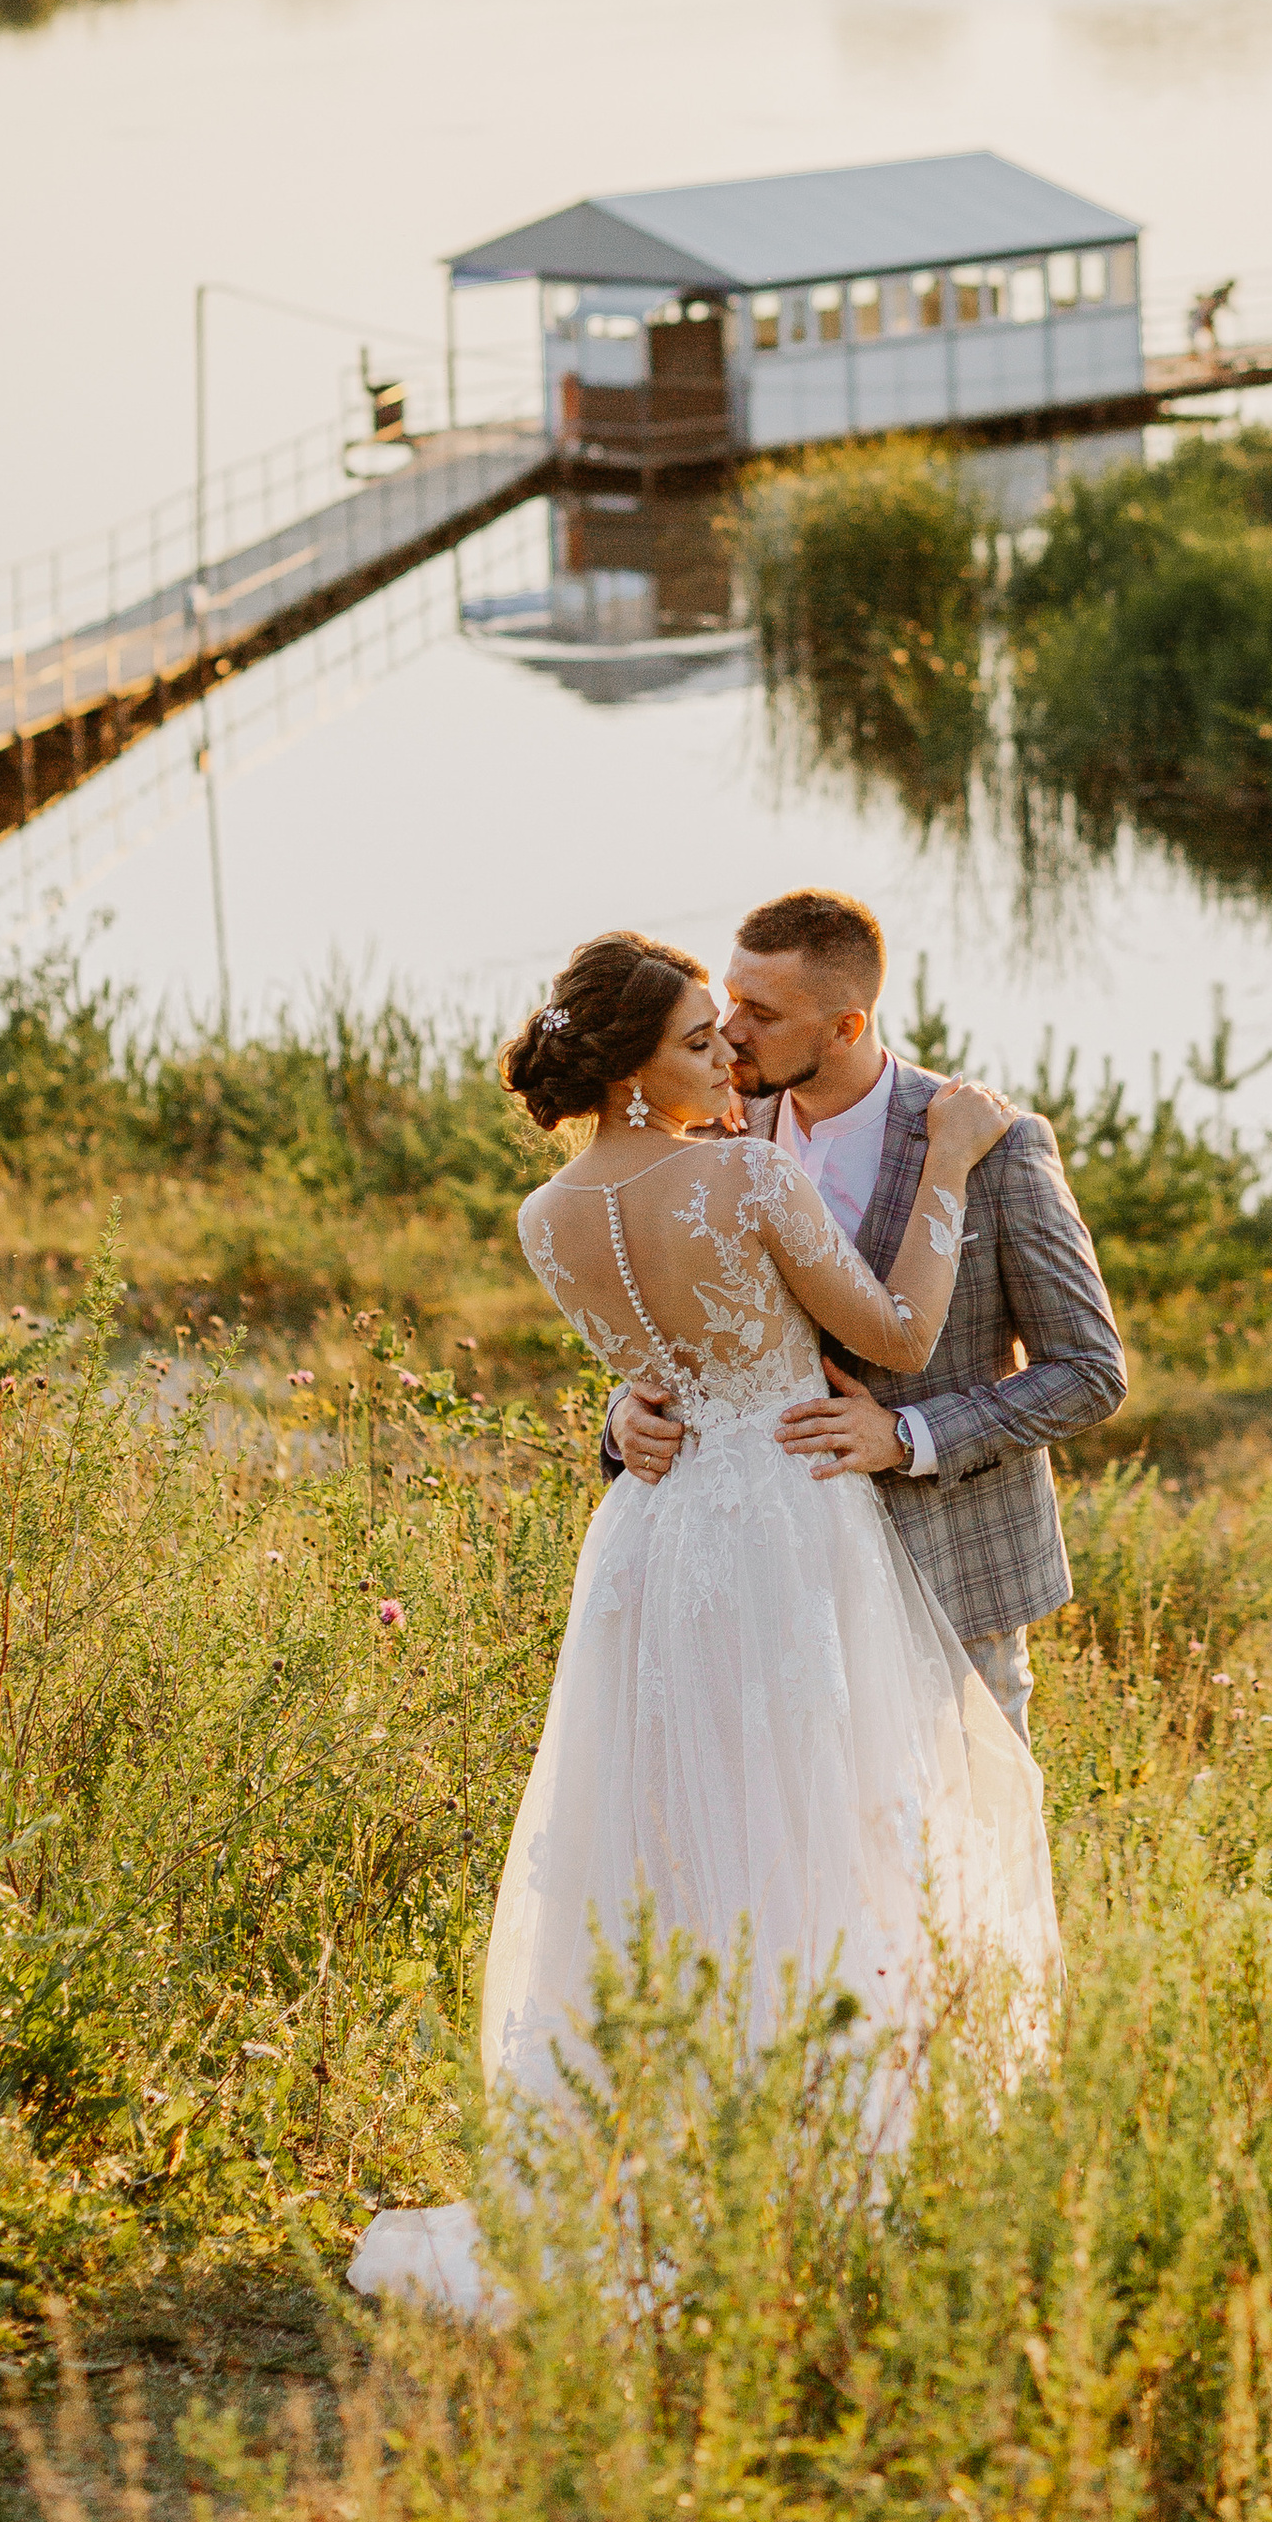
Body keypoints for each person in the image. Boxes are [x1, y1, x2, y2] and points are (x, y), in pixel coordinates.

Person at [349, 924, 1062, 2316]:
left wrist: (632, 1403)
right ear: (631, 1075)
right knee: (822, 1820)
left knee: (664, 1835)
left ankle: (657, 2137)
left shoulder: (544, 1216)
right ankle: (828, 2145)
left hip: (656, 1543)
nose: (724, 1056)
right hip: (787, 1522)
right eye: (695, 1042)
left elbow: (656, 1363)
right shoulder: (738, 1171)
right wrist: (954, 1168)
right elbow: (903, 1341)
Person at [607, 888, 1128, 1751]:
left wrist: (909, 1435)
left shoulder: (991, 1145)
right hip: (772, 1587)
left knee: (960, 1862)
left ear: (846, 1028)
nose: (731, 1030)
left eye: (763, 1013)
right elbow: (680, 1327)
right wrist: (628, 1410)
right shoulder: (714, 1138)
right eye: (733, 998)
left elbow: (1089, 1371)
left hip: (950, 1581)